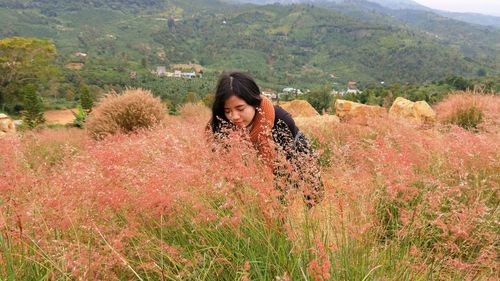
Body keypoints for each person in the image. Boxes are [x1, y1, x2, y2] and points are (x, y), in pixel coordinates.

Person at [207, 71, 323, 207]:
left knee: (309, 197)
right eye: (228, 111)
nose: (234, 116)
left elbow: (285, 171)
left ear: (253, 102)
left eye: (240, 108)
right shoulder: (221, 125)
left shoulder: (280, 120)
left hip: (295, 152)